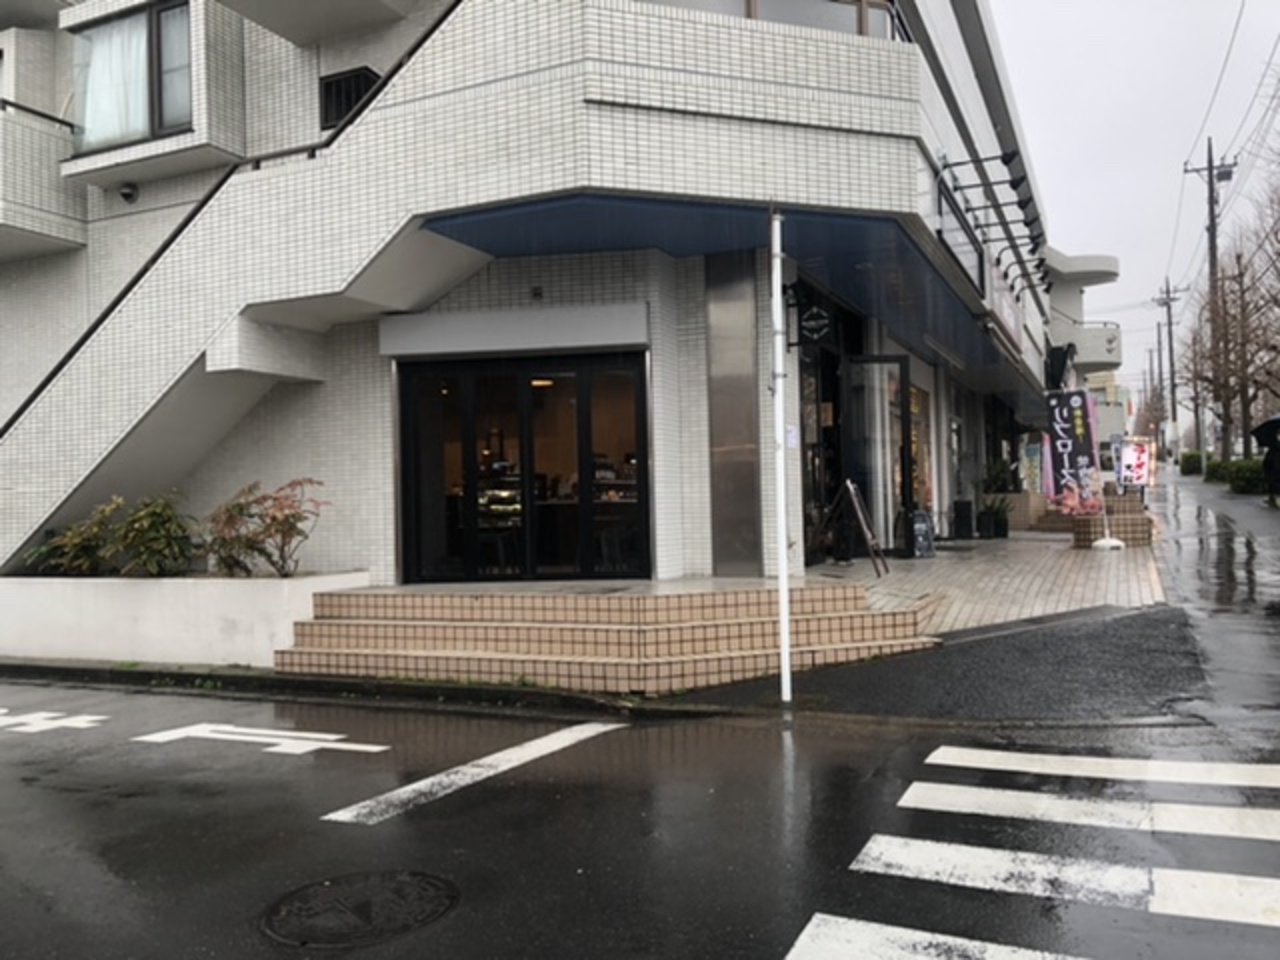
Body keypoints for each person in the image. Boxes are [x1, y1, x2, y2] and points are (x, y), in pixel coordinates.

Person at [1264, 444, 1280, 509]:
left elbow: (1266, 463)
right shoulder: (1273, 451)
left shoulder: (1272, 451)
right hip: (1274, 473)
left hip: (1274, 473)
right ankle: (1273, 499)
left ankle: (1274, 499)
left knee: (1274, 484)